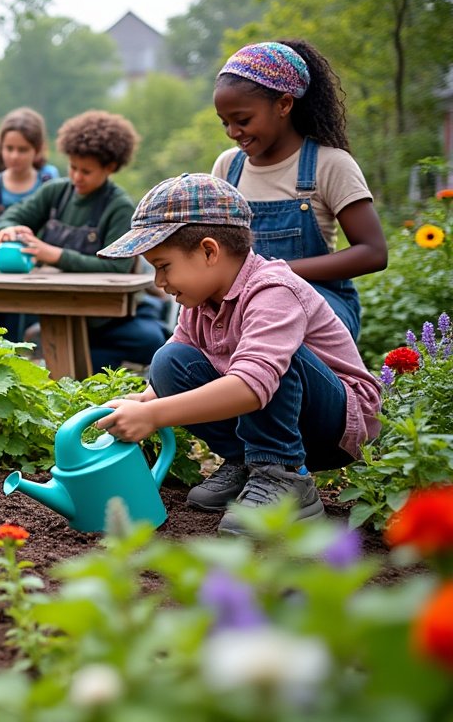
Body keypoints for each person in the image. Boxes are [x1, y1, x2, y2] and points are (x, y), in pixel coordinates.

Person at [93, 173, 381, 535]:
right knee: (169, 362)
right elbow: (177, 374)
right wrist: (141, 400)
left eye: (163, 266)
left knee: (271, 362)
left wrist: (152, 416)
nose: (159, 283)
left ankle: (283, 476)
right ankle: (248, 464)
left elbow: (252, 384)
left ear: (209, 251)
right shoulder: (201, 301)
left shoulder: (273, 290)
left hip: (336, 424)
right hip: (285, 410)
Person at [211, 40, 387, 341]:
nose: (232, 133)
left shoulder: (329, 164)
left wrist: (276, 273)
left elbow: (373, 252)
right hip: (244, 305)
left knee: (274, 322)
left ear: (284, 104)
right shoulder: (229, 168)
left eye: (242, 120)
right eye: (225, 122)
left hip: (318, 305)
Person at [0, 110, 166, 371]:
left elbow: (116, 266)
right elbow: (9, 218)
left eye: (86, 171)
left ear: (110, 168)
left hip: (112, 318)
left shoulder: (119, 206)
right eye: (73, 167)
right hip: (63, 308)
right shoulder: (55, 192)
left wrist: (55, 255)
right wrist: (8, 230)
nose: (76, 177)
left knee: (151, 341)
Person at [0, 108, 57, 265]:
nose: (14, 156)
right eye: (9, 148)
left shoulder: (48, 180)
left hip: (42, 267)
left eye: (23, 150)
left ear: (37, 150)